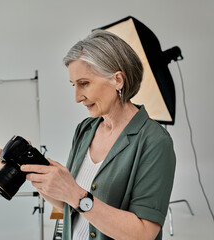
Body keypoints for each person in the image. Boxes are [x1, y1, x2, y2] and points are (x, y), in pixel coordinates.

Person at [18, 30, 176, 240]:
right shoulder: (85, 130)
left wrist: (76, 194)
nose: (77, 97)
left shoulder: (154, 142)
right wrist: (32, 174)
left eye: (84, 83)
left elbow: (144, 233)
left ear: (118, 80)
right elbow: (70, 206)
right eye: (74, 85)